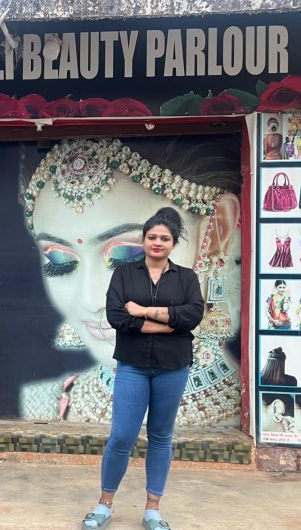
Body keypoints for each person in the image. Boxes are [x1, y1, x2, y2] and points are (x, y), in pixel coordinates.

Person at [19, 137, 242, 428]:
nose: (90, 299)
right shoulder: (39, 406)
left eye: (126, 255)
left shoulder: (279, 416)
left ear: (216, 233)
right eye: (61, 261)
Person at [80, 207, 203, 530]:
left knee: (161, 436)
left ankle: (152, 509)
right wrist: (168, 322)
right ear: (143, 240)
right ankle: (104, 504)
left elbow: (192, 315)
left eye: (164, 238)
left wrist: (144, 311)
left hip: (173, 367)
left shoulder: (187, 278)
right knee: (122, 436)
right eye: (152, 237)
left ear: (173, 243)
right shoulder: (124, 274)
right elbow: (117, 317)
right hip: (132, 365)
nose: (157, 242)